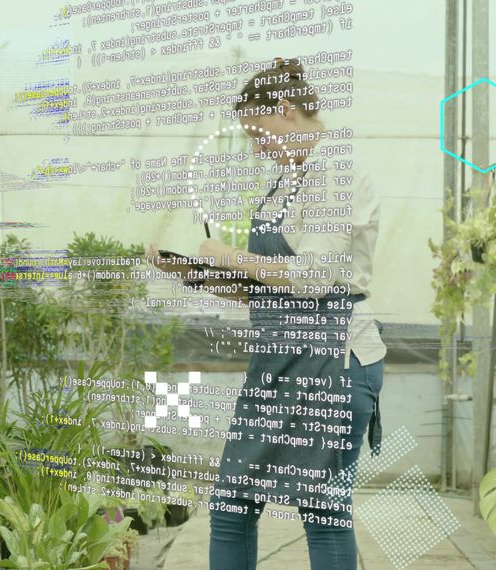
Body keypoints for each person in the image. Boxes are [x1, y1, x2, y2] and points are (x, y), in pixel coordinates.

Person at [145, 57, 385, 570]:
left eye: (259, 133)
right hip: (279, 362)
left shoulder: (336, 174)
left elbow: (314, 277)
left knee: (323, 511)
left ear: (285, 109)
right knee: (232, 503)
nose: (258, 148)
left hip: (332, 361)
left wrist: (229, 254)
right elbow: (268, 292)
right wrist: (195, 273)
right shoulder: (285, 183)